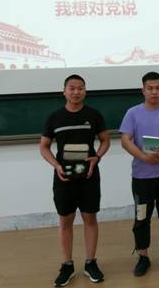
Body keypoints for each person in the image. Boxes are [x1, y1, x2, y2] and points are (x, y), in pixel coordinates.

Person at [40, 74, 111, 287]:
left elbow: (105, 141)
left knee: (90, 218)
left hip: (89, 175)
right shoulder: (54, 117)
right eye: (72, 88)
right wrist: (56, 165)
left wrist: (97, 158)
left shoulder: (93, 115)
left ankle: (91, 263)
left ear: (85, 91)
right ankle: (67, 265)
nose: (76, 92)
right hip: (64, 177)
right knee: (65, 221)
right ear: (64, 91)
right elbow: (44, 146)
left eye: (80, 88)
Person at [120, 71, 159, 277]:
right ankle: (143, 256)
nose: (154, 92)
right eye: (150, 88)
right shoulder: (132, 113)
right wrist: (143, 157)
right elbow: (125, 140)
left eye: (157, 88)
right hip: (142, 176)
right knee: (141, 217)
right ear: (143, 90)